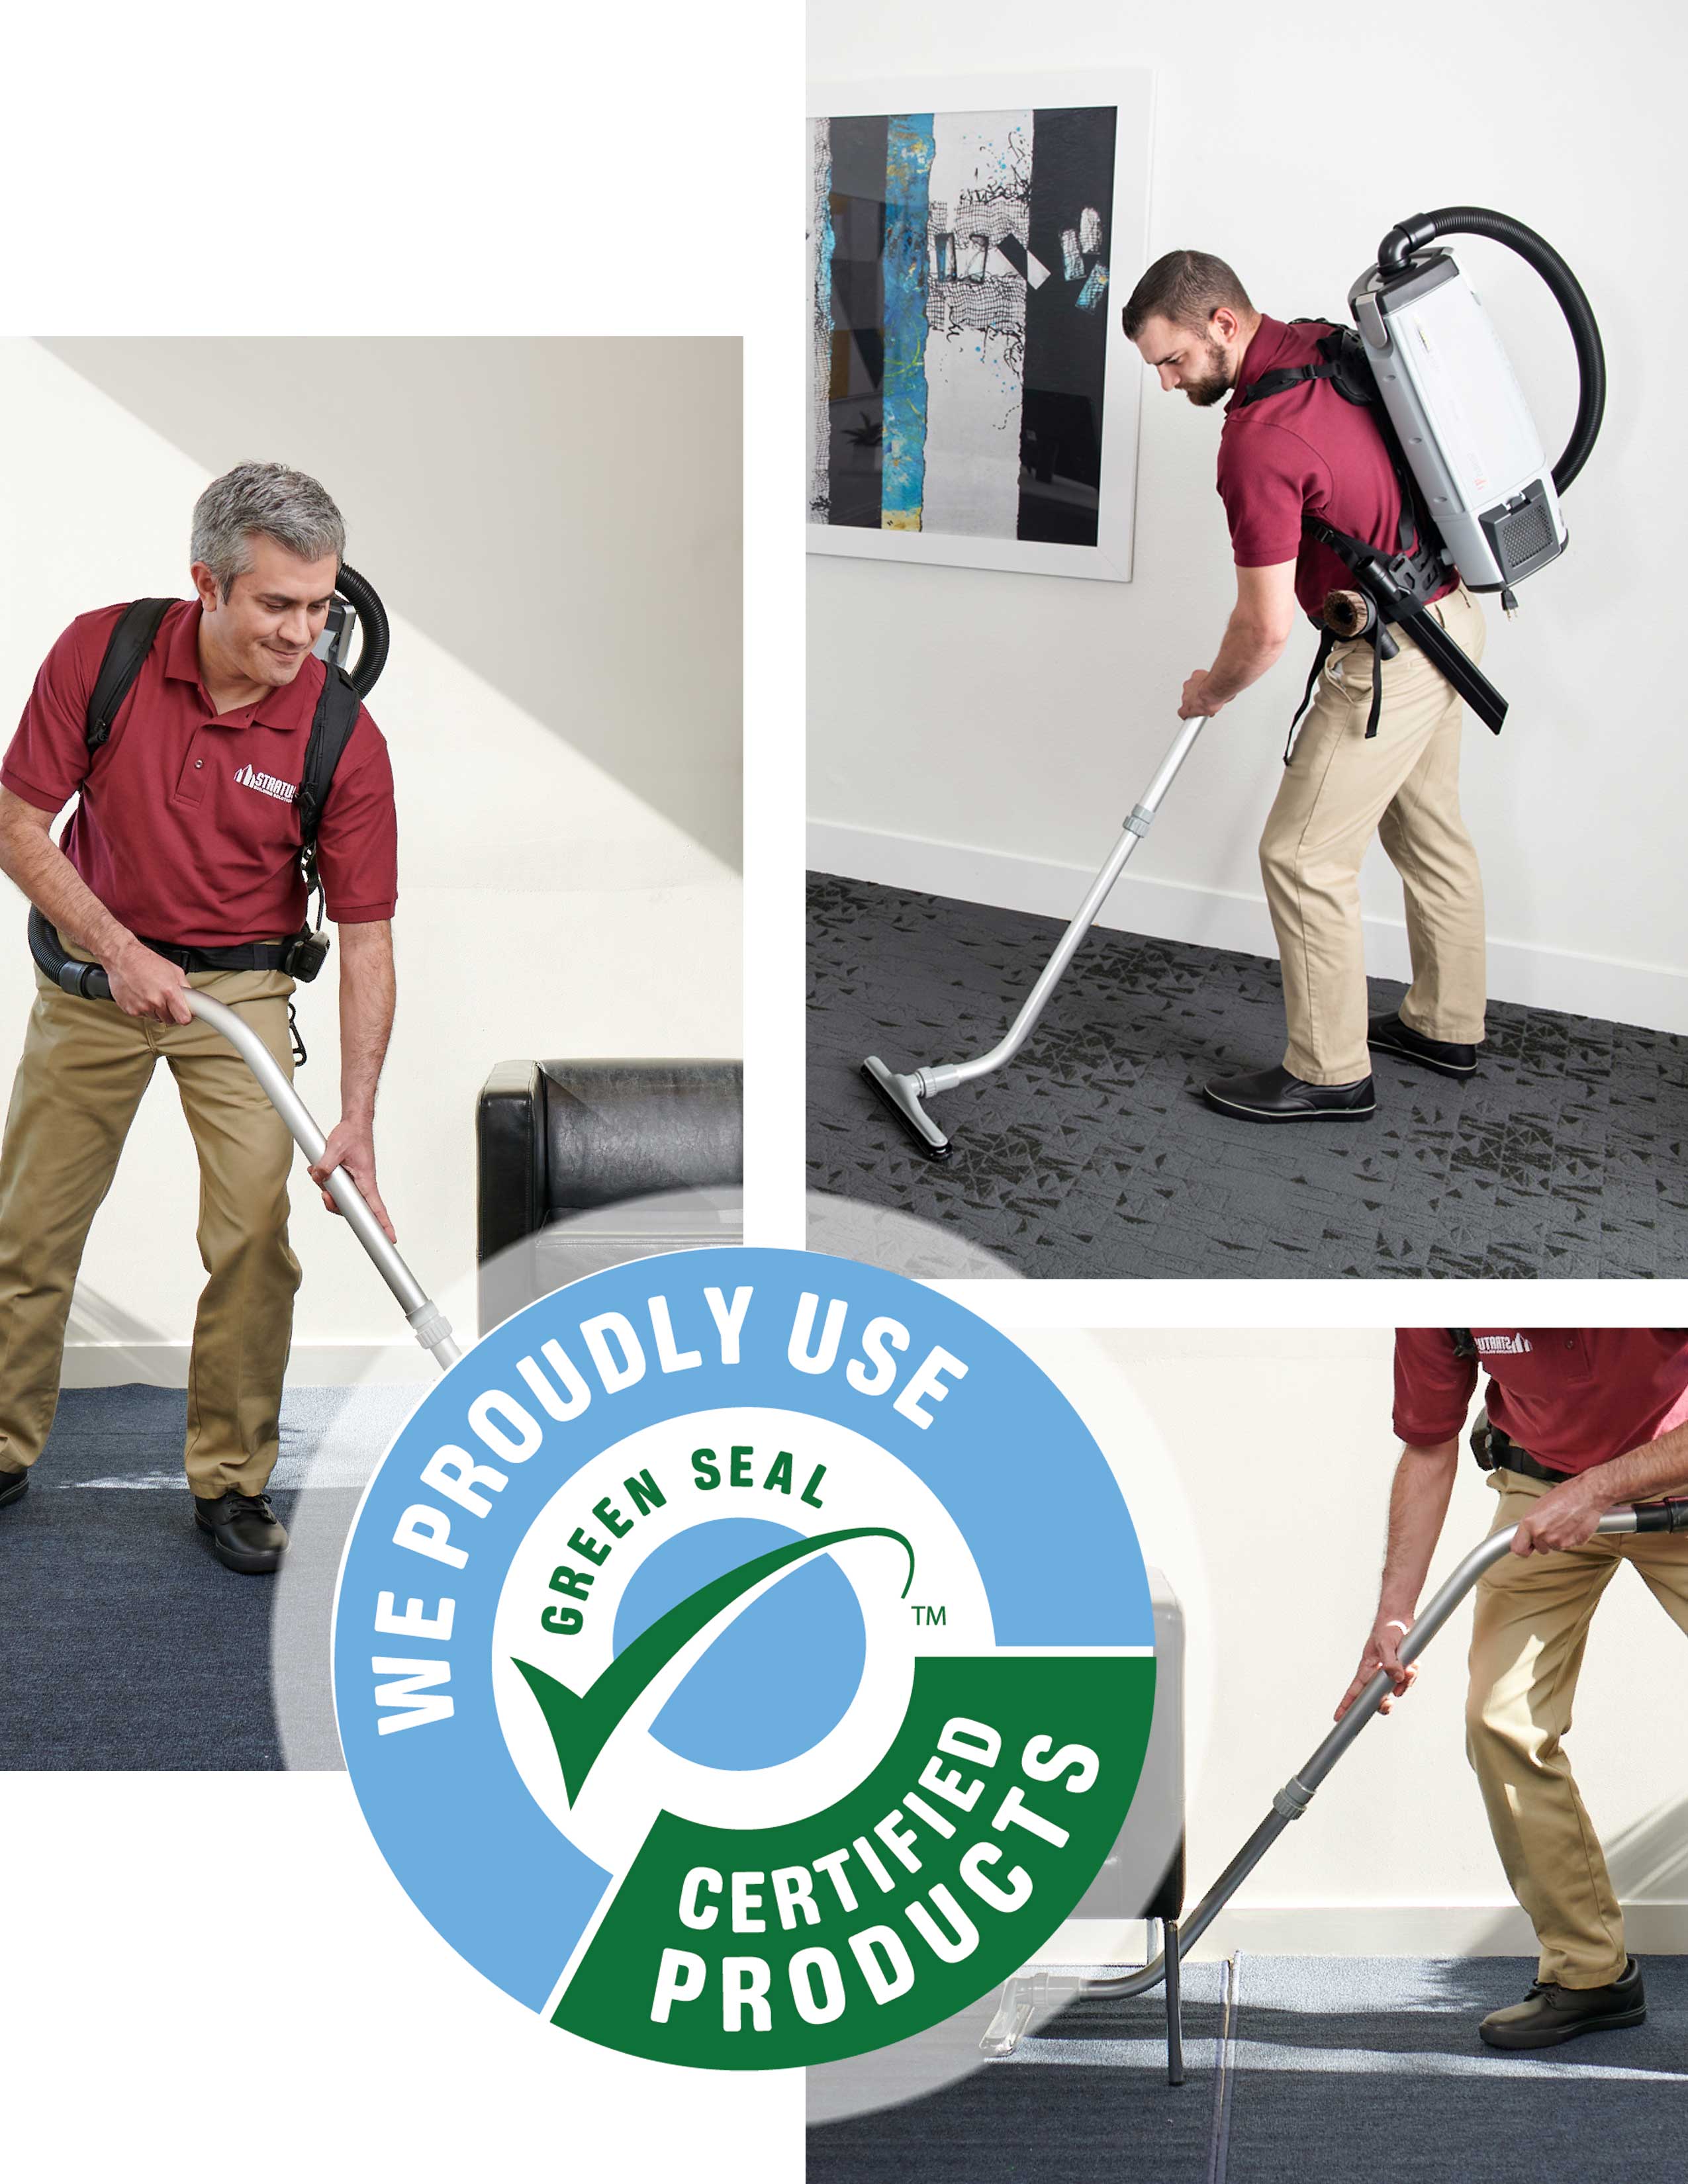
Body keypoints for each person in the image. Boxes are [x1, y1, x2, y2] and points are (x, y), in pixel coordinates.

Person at [0, 462, 399, 1574]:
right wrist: (117, 950)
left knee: (253, 1240)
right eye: (277, 605)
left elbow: (367, 938)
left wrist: (356, 1117)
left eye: (321, 609)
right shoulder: (107, 655)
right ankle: (0, 1443)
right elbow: (18, 822)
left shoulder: (340, 737)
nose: (302, 633)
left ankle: (231, 1480)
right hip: (95, 977)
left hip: (239, 994)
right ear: (208, 587)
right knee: (29, 1228)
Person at [1122, 250, 1488, 1124]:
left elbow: (1263, 628)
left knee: (1299, 856)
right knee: (1428, 828)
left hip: (1389, 656)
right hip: (1451, 621)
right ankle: (1444, 1022)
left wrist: (1212, 688)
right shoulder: (1323, 344)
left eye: (1172, 360)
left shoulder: (1255, 443)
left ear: (1221, 323)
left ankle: (1327, 1072)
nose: (1169, 385)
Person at [1340, 1329, 1688, 2048]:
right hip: (1544, 1492)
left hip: (1676, 1480)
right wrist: (1392, 1618)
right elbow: (1430, 1447)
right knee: (1501, 1721)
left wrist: (1599, 1488)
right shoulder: (1444, 1297)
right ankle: (1589, 1973)